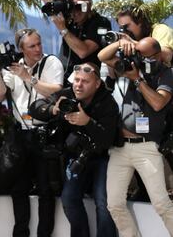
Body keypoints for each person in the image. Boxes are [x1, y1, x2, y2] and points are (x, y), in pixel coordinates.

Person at [31, 62, 118, 237]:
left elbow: (108, 139)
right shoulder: (66, 96)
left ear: (97, 83)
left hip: (102, 156)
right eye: (76, 80)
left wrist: (88, 122)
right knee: (69, 198)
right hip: (77, 156)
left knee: (103, 202)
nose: (78, 85)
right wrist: (52, 109)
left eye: (85, 81)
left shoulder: (107, 102)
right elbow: (34, 108)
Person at [98, 37, 173, 236]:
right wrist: (121, 43)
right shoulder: (131, 66)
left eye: (145, 56)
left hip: (146, 147)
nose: (140, 60)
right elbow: (102, 56)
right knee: (114, 204)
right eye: (138, 54)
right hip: (120, 148)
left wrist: (137, 80)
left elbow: (158, 103)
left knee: (162, 204)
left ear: (157, 56)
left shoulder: (166, 74)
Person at [0, 28, 64, 237]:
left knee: (45, 190)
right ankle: (20, 233)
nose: (38, 49)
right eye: (32, 46)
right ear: (21, 49)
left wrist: (28, 77)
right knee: (19, 189)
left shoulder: (51, 62)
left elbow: (54, 89)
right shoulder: (12, 67)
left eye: (39, 44)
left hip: (46, 132)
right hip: (21, 134)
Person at [34, 0, 111, 87]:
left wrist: (63, 29)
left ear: (89, 4)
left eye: (80, 6)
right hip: (62, 80)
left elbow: (83, 51)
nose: (75, 11)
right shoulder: (68, 15)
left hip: (84, 83)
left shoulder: (100, 22)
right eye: (72, 6)